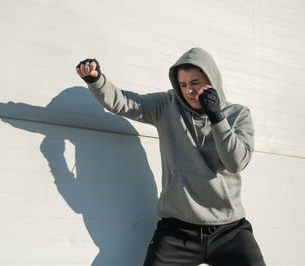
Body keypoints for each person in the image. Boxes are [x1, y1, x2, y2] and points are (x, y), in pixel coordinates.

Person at [76, 47, 266, 266]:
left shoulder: (238, 114)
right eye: (183, 85)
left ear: (211, 79)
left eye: (195, 83)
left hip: (229, 230)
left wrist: (217, 117)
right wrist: (97, 81)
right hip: (178, 230)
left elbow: (236, 163)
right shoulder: (167, 105)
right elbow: (124, 102)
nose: (189, 92)